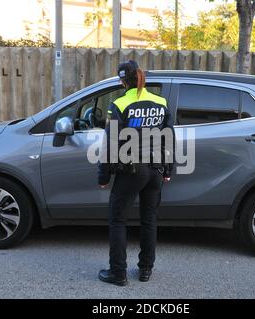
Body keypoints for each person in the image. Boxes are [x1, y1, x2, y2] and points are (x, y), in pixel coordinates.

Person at [97, 60, 175, 286]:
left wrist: (104, 176)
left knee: (118, 219)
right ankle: (145, 270)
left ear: (123, 81)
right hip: (156, 170)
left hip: (131, 170)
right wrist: (168, 169)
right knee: (149, 219)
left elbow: (110, 143)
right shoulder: (161, 102)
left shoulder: (119, 104)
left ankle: (118, 273)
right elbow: (169, 137)